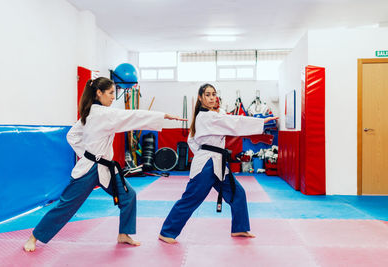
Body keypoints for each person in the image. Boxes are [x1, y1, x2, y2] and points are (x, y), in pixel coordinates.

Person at [24, 77, 186, 252]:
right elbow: (132, 115)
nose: (112, 98)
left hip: (106, 167)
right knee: (67, 206)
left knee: (128, 195)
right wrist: (163, 116)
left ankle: (124, 234)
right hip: (89, 170)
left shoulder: (91, 114)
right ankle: (34, 237)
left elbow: (71, 136)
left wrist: (86, 153)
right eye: (109, 93)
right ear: (98, 93)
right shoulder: (102, 114)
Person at [159, 83, 278, 244]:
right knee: (191, 198)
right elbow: (234, 122)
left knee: (238, 193)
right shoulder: (207, 116)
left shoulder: (210, 116)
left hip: (218, 162)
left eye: (214, 94)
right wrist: (261, 121)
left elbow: (193, 140)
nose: (212, 97)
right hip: (207, 164)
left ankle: (240, 227)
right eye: (207, 95)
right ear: (200, 98)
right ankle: (167, 232)